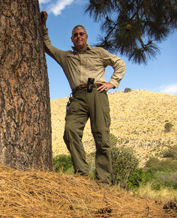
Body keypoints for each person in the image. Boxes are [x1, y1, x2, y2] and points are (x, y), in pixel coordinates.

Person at [40, 11, 126, 185]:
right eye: (75, 35)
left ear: (86, 37)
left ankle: (103, 182)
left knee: (102, 137)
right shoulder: (66, 57)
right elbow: (47, 45)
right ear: (72, 39)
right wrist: (43, 28)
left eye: (81, 34)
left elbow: (119, 63)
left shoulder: (99, 52)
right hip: (77, 98)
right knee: (70, 131)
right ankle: (83, 175)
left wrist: (112, 82)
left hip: (98, 94)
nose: (78, 37)